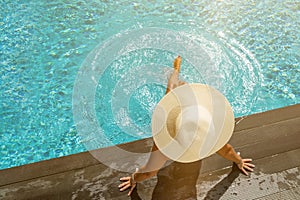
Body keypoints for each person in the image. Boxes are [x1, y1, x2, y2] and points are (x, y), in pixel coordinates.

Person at [118, 56, 255, 197]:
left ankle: (175, 72)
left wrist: (133, 178)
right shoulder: (209, 138)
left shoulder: (165, 146)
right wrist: (239, 161)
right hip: (193, 123)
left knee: (171, 93)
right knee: (171, 93)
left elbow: (149, 172)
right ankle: (175, 71)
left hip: (189, 119)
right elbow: (227, 151)